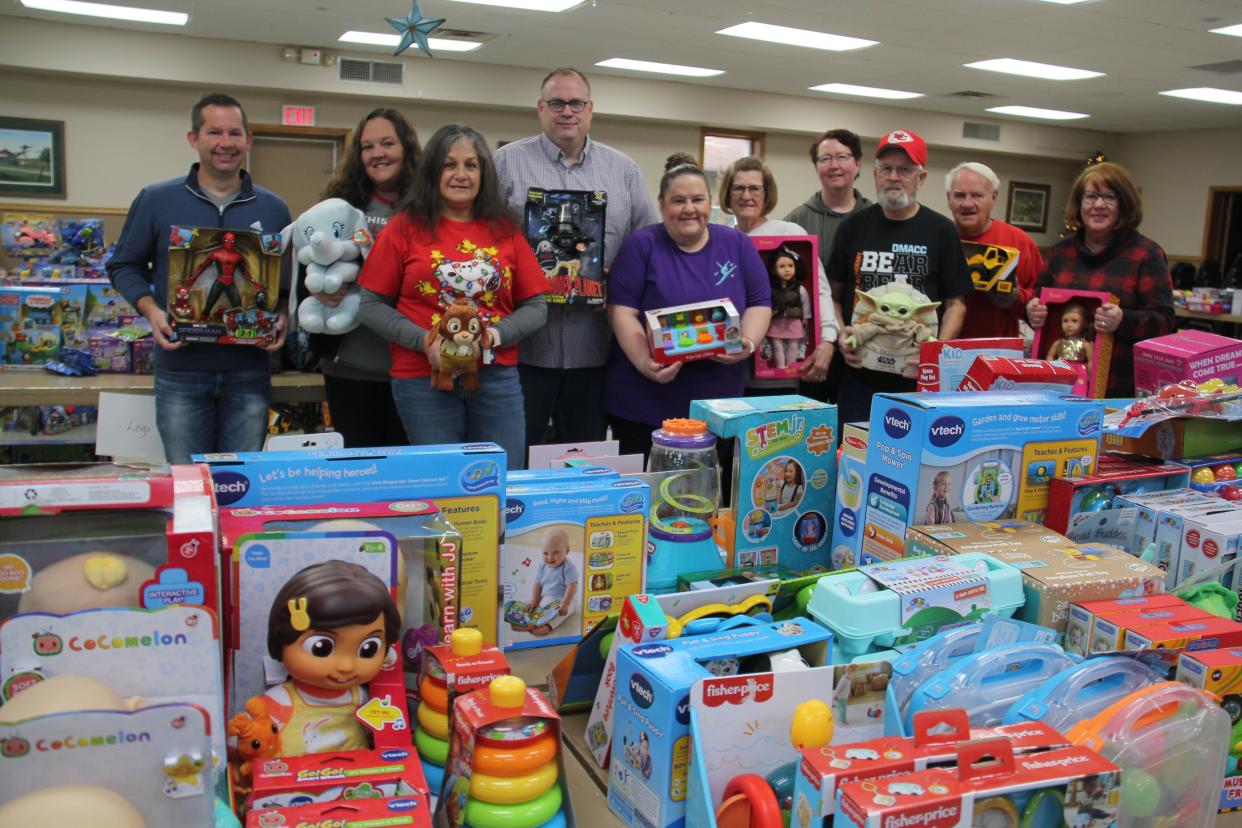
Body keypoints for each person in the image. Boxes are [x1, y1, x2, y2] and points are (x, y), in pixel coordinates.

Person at [108, 92, 291, 464]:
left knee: (241, 483)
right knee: (188, 481)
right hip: (182, 371)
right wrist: (152, 310)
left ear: (248, 140)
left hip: (249, 372)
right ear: (194, 139)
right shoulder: (157, 199)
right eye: (214, 133)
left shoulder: (274, 208)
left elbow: (285, 279)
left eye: (235, 133)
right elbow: (123, 265)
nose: (226, 143)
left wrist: (285, 313)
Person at [357, 124, 548, 468]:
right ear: (433, 171)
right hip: (422, 380)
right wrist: (426, 341)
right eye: (449, 165)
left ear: (483, 173)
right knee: (444, 484)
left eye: (471, 165)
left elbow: (536, 307)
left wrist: (491, 336)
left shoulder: (505, 229)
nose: (461, 175)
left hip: (495, 377)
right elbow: (370, 306)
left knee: (500, 479)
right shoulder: (404, 227)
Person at [494, 67, 659, 449]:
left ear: (590, 109)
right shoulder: (505, 163)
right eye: (556, 103)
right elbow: (481, 240)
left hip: (596, 350)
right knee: (516, 457)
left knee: (582, 459)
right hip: (524, 350)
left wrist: (616, 277)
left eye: (576, 103)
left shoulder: (623, 171)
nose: (566, 111)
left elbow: (649, 247)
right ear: (540, 108)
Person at [604, 155, 772, 457]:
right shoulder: (640, 245)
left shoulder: (737, 244)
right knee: (649, 493)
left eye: (698, 199)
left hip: (718, 405)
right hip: (645, 400)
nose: (689, 209)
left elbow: (760, 303)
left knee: (711, 494)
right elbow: (622, 312)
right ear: (661, 203)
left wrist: (745, 343)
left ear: (710, 202)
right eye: (678, 200)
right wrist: (645, 362)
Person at [831, 129, 972, 425]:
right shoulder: (851, 227)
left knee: (909, 464)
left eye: (905, 169)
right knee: (854, 459)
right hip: (859, 376)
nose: (894, 176)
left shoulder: (941, 230)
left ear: (920, 178)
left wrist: (934, 355)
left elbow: (956, 304)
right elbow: (832, 295)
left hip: (916, 380)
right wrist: (841, 332)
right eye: (887, 168)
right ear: (875, 174)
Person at [309, 108, 421, 448]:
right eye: (368, 146)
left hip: (414, 367)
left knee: (406, 475)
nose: (378, 154)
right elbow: (309, 265)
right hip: (349, 365)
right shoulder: (337, 206)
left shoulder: (429, 209)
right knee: (359, 470)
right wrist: (320, 292)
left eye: (387, 143)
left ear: (407, 148)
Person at [1026, 162, 1174, 397]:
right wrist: (1032, 311)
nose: (1098, 205)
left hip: (1119, 388)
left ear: (1124, 206)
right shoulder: (1059, 254)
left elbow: (1164, 321)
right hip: (1058, 389)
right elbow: (1038, 301)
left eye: (1109, 197)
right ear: (1079, 203)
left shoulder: (1146, 254)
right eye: (1091, 196)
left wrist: (1123, 319)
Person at [717, 156, 839, 389]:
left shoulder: (788, 232)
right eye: (738, 188)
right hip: (728, 367)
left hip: (776, 368)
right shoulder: (720, 239)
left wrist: (827, 339)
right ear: (727, 194)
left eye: (754, 188)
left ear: (767, 193)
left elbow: (818, 292)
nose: (746, 196)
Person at [260, 560, 401, 756]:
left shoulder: (363, 699)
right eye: (321, 648)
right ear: (282, 637)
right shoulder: (279, 702)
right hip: (292, 781)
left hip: (356, 781)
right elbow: (248, 742)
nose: (346, 666)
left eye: (368, 649)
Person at [785, 129, 872, 401]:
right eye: (825, 159)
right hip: (811, 347)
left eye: (842, 157)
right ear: (816, 167)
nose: (834, 165)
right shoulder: (796, 222)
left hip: (863, 349)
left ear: (857, 163)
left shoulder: (875, 220)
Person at [944, 162, 1044, 339]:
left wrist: (1015, 298)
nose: (967, 204)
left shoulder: (1019, 241)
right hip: (940, 348)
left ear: (994, 197)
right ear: (948, 199)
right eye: (959, 195)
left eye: (977, 195)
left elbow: (1042, 300)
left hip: (998, 353)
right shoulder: (938, 237)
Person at [526, 528, 579, 629]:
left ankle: (548, 626)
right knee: (530, 605)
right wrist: (534, 600)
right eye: (545, 553)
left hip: (566, 599)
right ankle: (532, 619)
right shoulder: (542, 565)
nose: (550, 557)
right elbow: (537, 584)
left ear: (566, 551)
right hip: (548, 596)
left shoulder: (569, 567)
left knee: (559, 613)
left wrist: (565, 603)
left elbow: (571, 587)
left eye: (556, 552)